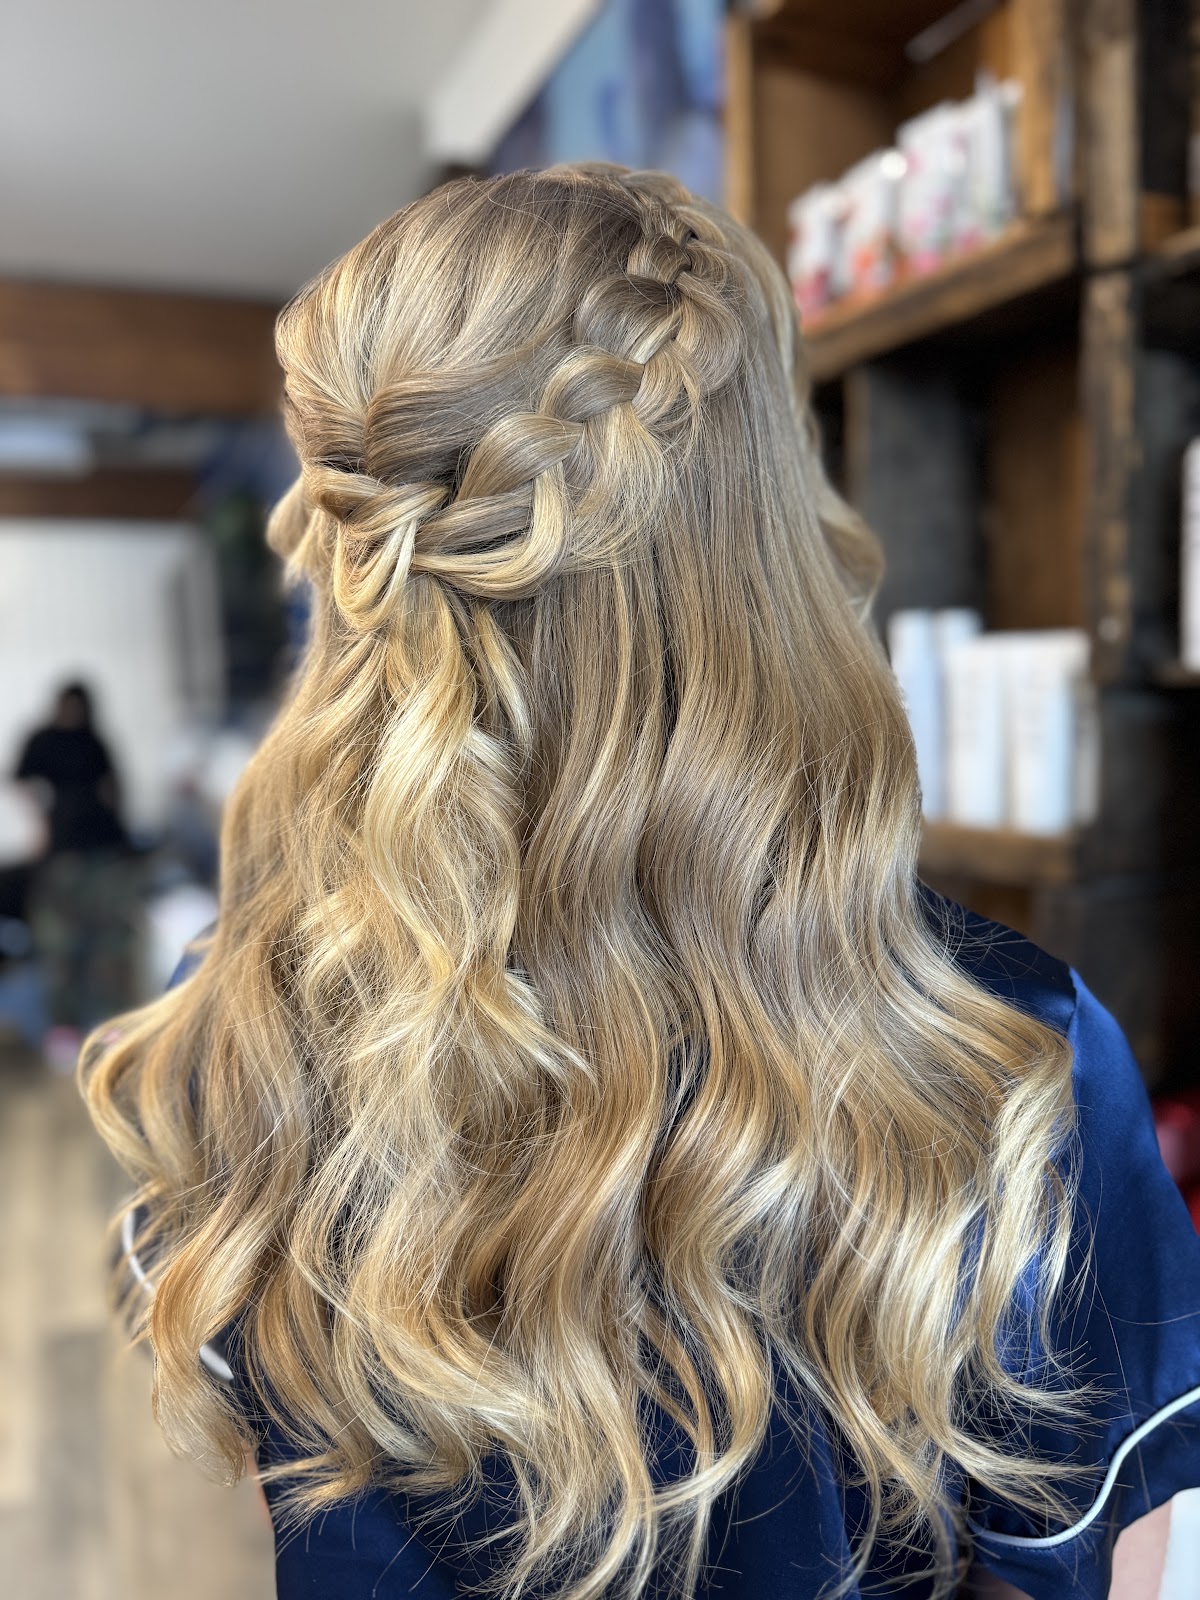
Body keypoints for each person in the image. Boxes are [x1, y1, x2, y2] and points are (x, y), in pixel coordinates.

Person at [78, 165, 1200, 1600]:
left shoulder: (239, 1022)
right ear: (768, 541)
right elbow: (1101, 1566)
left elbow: (293, 1491)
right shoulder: (1004, 1065)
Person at [13, 680, 137, 1068]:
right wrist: (39, 824)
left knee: (110, 942)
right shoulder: (43, 741)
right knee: (60, 945)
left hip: (104, 851)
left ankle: (112, 1026)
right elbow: (21, 781)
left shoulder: (94, 740)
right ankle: (63, 1030)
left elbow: (112, 787)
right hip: (61, 855)